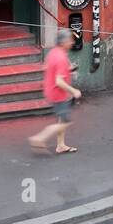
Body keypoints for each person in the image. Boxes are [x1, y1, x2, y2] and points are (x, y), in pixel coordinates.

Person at [29, 28, 81, 156]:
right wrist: (73, 91)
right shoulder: (61, 58)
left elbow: (47, 67)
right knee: (65, 122)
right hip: (58, 93)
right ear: (63, 42)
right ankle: (39, 138)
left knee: (61, 120)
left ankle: (61, 145)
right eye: (70, 40)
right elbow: (59, 82)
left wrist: (67, 70)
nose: (72, 43)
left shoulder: (54, 52)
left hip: (50, 90)